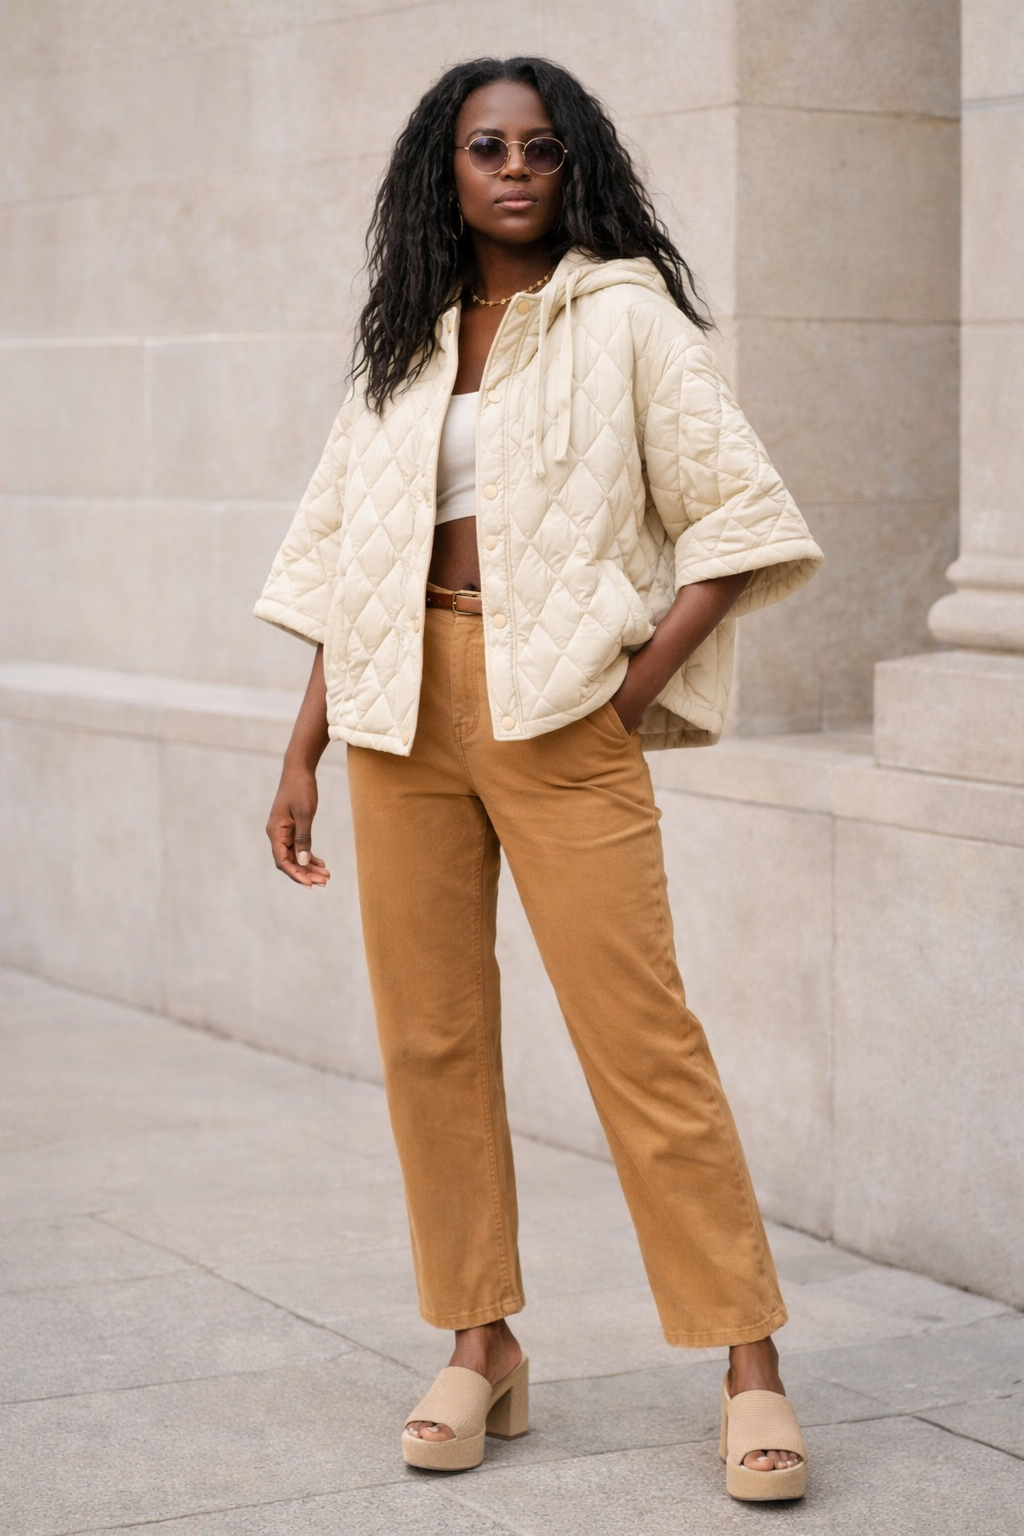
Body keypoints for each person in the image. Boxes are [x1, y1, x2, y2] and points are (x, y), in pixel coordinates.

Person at [256, 56, 823, 1502]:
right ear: (443, 172)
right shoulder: (403, 342)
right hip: (397, 715)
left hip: (562, 709)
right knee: (429, 1041)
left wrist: (626, 699)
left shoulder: (625, 317)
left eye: (541, 147)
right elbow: (346, 560)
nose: (514, 168)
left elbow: (739, 522)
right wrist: (304, 746)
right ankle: (480, 1340)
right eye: (487, 147)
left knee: (643, 1041)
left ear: (575, 168)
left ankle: (749, 1362)